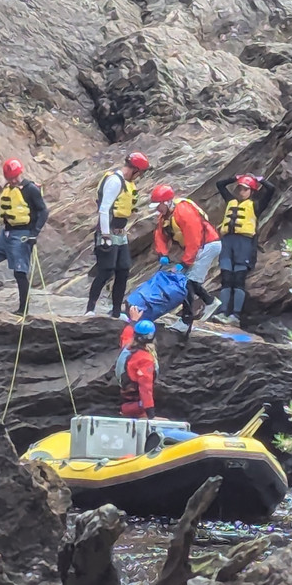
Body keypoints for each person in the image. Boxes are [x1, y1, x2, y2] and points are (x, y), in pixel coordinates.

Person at [0, 158, 49, 316]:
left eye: (15, 177)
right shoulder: (7, 189)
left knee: (19, 272)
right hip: (6, 233)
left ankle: (23, 309)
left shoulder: (31, 189)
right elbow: (2, 208)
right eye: (10, 178)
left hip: (22, 235)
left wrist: (34, 233)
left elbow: (43, 211)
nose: (14, 180)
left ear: (21, 173)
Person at [150, 185, 222, 334]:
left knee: (186, 282)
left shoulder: (183, 211)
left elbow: (194, 239)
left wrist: (185, 263)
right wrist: (162, 254)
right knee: (188, 280)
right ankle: (210, 302)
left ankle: (186, 320)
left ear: (167, 202)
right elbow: (160, 235)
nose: (158, 209)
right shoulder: (165, 216)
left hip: (207, 245)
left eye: (159, 205)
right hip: (197, 248)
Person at [86, 152, 150, 317]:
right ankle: (90, 309)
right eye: (140, 173)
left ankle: (116, 311)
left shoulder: (128, 184)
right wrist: (106, 235)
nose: (139, 176)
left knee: (123, 270)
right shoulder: (115, 181)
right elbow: (105, 208)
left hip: (120, 233)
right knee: (106, 270)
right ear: (134, 169)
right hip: (108, 231)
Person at [214, 173, 276, 325]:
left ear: (251, 191)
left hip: (245, 244)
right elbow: (220, 184)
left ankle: (235, 316)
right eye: (240, 189)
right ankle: (222, 312)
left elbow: (271, 190)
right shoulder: (231, 201)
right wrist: (235, 177)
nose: (241, 192)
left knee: (238, 279)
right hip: (228, 242)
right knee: (226, 278)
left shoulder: (255, 205)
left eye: (245, 189)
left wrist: (260, 179)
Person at [117, 319, 158, 419]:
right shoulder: (145, 359)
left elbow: (126, 336)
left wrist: (133, 321)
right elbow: (145, 388)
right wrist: (151, 414)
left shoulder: (127, 347)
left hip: (125, 401)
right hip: (138, 408)